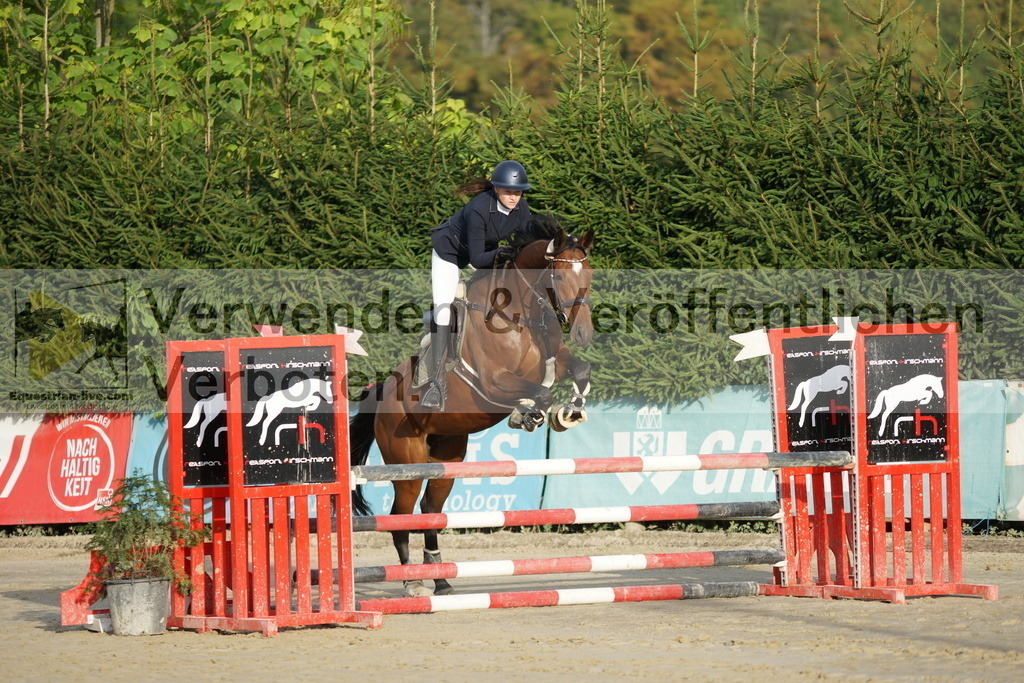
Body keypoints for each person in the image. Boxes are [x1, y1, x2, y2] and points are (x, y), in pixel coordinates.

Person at [419, 160, 534, 410]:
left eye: (518, 191)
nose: (514, 197)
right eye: (508, 191)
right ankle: (435, 385)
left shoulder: (521, 208)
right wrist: (504, 252)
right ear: (496, 189)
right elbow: (476, 260)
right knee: (444, 311)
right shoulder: (478, 209)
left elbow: (529, 238)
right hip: (450, 254)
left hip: (484, 252)